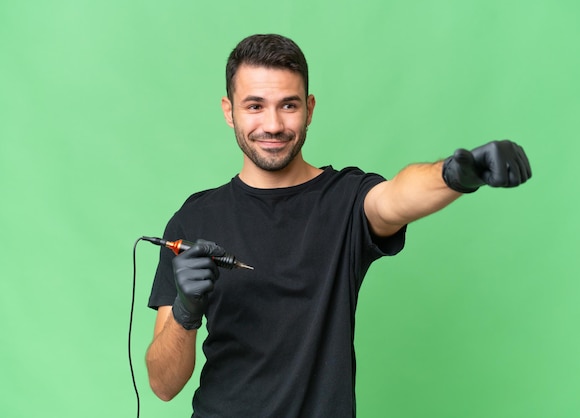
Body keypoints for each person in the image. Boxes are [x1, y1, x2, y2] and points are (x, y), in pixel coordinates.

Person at [145, 34, 532, 418]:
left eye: (289, 105)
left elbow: (397, 197)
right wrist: (185, 310)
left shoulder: (345, 198)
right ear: (229, 111)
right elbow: (163, 385)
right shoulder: (193, 219)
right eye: (255, 106)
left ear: (309, 109)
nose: (273, 124)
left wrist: (456, 174)